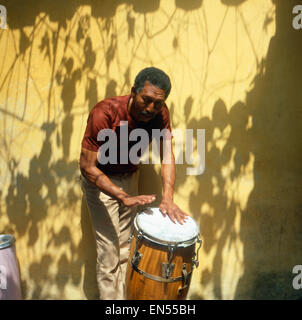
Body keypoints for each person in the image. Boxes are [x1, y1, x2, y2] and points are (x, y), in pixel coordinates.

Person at [79, 67, 188, 300]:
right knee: (108, 253)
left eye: (157, 103)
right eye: (146, 100)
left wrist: (168, 197)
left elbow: (167, 155)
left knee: (125, 249)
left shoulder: (161, 114)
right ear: (133, 92)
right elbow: (87, 167)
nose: (151, 108)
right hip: (100, 182)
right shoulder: (104, 113)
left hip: (130, 177)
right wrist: (121, 195)